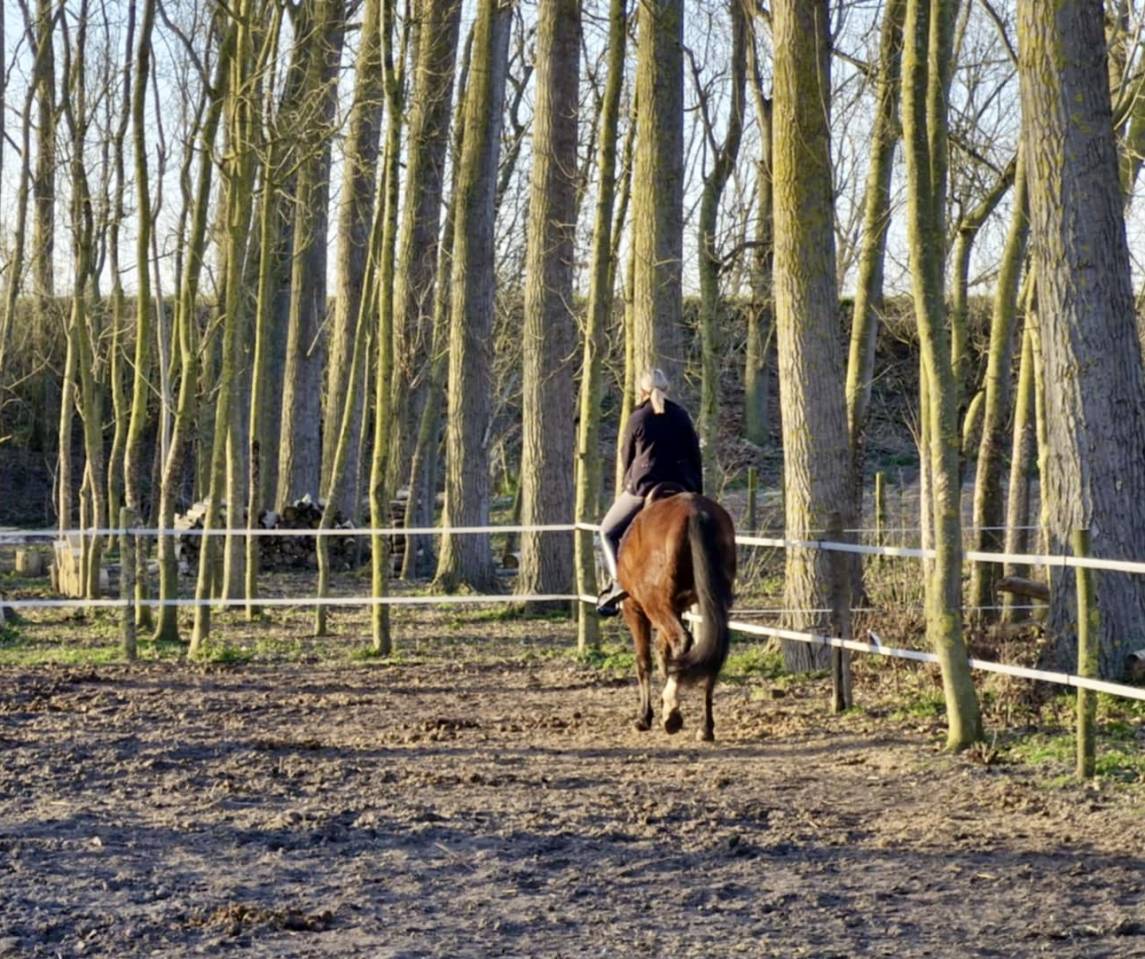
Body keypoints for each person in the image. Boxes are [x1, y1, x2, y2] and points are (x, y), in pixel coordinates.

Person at [596, 368, 703, 617]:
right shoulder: (682, 416)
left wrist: (628, 484)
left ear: (642, 390)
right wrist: (696, 490)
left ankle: (617, 583)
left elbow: (626, 457)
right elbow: (694, 455)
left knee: (607, 532)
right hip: (683, 484)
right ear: (667, 388)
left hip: (644, 486)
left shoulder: (637, 418)